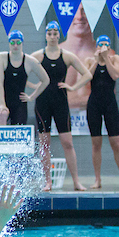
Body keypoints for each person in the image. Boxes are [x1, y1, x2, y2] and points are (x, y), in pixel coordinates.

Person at [31, 24, 87, 191]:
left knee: (67, 143)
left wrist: (73, 87)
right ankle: (47, 181)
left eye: (55, 33)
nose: (53, 36)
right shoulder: (37, 57)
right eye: (50, 33)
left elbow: (87, 74)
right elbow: (20, 73)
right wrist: (34, 87)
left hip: (61, 103)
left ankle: (76, 182)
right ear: (46, 36)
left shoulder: (67, 56)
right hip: (43, 103)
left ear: (59, 36)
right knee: (44, 144)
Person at [71, 35, 119, 190]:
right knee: (96, 144)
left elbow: (115, 75)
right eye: (101, 45)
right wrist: (98, 60)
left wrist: (106, 58)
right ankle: (97, 179)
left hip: (110, 104)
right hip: (94, 105)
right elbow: (87, 77)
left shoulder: (115, 59)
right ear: (96, 46)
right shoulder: (90, 61)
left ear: (109, 47)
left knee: (116, 143)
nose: (103, 47)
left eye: (106, 45)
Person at [0, 28, 47, 127]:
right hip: (2, 100)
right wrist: (2, 104)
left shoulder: (30, 61)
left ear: (22, 43)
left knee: (18, 135)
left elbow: (46, 80)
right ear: (9, 43)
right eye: (12, 43)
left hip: (20, 105)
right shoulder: (1, 58)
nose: (15, 45)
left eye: (18, 42)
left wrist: (31, 97)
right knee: (2, 114)